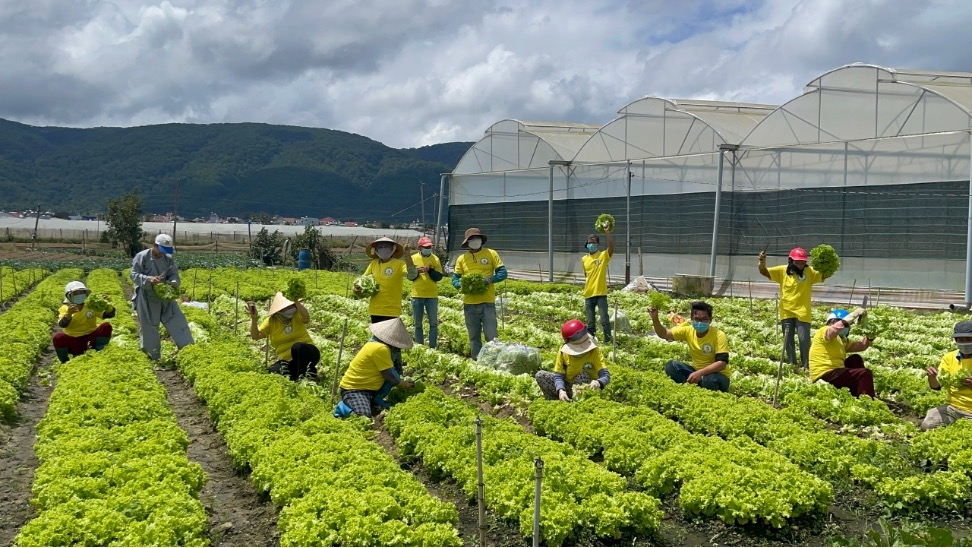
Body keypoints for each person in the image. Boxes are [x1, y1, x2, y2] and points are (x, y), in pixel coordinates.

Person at [758, 247, 828, 369]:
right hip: (786, 311)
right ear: (790, 261)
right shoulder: (782, 271)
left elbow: (824, 275)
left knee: (804, 340)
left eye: (802, 262)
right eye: (797, 262)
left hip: (803, 312)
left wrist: (827, 264)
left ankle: (807, 366)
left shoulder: (810, 272)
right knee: (788, 341)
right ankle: (792, 365)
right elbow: (764, 272)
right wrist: (762, 261)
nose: (800, 265)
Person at [334, 318, 415, 419]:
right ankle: (343, 407)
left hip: (369, 388)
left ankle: (374, 399)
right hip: (354, 389)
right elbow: (389, 374)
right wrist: (403, 384)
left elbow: (392, 372)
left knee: (393, 375)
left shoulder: (376, 343)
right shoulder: (381, 348)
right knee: (363, 416)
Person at [130, 234, 194, 360]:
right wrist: (149, 279)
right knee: (149, 326)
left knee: (177, 320)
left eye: (166, 251)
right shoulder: (142, 257)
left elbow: (173, 274)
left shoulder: (168, 259)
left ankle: (189, 350)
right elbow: (134, 275)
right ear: (155, 246)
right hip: (147, 297)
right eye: (161, 250)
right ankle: (152, 356)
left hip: (165, 297)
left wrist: (174, 282)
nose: (163, 254)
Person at [649, 301, 731, 392]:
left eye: (704, 319)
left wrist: (700, 373)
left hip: (718, 376)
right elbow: (664, 334)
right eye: (697, 319)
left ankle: (705, 389)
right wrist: (655, 319)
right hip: (697, 373)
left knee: (709, 379)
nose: (700, 323)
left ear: (710, 320)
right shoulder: (688, 331)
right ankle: (691, 388)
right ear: (691, 319)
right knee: (671, 366)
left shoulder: (718, 335)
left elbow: (722, 363)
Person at [452, 228, 507, 359]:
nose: (475, 241)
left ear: (481, 240)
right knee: (473, 337)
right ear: (467, 242)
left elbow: (503, 273)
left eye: (477, 238)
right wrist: (463, 285)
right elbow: (455, 278)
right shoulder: (462, 259)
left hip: (487, 303)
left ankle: (493, 359)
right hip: (469, 305)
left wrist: (489, 280)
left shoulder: (491, 253)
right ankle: (477, 360)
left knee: (492, 336)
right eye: (472, 239)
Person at [247, 292, 319, 381]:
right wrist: (254, 320)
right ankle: (297, 375)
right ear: (279, 310)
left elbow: (306, 318)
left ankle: (309, 375)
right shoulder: (271, 321)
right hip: (288, 361)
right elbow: (256, 336)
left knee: (298, 347)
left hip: (308, 353)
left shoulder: (297, 314)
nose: (290, 309)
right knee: (271, 372)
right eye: (286, 308)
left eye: (291, 306)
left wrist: (296, 301)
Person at [535, 320, 610, 401]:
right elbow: (559, 375)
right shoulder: (563, 352)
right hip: (568, 387)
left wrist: (598, 382)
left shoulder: (594, 351)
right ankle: (558, 400)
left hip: (588, 388)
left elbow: (605, 375)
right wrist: (561, 390)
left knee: (582, 376)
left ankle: (579, 401)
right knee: (540, 375)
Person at [808, 308, 875, 398]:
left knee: (855, 359)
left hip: (836, 373)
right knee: (865, 373)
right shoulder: (824, 331)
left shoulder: (843, 340)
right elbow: (833, 331)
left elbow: (861, 346)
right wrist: (853, 315)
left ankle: (857, 391)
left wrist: (870, 337)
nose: (846, 327)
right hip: (825, 375)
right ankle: (867, 401)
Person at [920, 320, 972, 430]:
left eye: (969, 339)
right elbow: (936, 386)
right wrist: (932, 377)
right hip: (953, 408)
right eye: (961, 340)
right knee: (928, 425)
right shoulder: (949, 357)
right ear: (956, 341)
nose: (965, 343)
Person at [355, 237, 417, 323]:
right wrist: (357, 289)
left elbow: (412, 275)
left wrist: (407, 255)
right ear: (376, 250)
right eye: (380, 247)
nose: (383, 249)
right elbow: (363, 279)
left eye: (386, 246)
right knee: (377, 335)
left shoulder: (399, 264)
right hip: (375, 309)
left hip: (391, 310)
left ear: (393, 249)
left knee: (388, 336)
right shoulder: (374, 263)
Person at [52, 281, 116, 363]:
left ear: (85, 294)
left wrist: (108, 305)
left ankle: (100, 350)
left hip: (91, 338)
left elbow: (108, 315)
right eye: (75, 293)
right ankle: (64, 361)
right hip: (74, 341)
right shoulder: (65, 308)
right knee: (58, 337)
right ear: (69, 296)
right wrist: (69, 314)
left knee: (106, 326)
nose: (79, 295)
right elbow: (62, 324)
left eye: (81, 292)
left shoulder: (90, 306)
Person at [582, 225, 615, 342]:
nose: (591, 244)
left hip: (601, 293)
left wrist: (607, 232)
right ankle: (592, 342)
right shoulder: (584, 259)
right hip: (588, 294)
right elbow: (586, 275)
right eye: (589, 242)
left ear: (597, 244)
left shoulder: (603, 256)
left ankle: (608, 341)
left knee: (604, 320)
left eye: (594, 242)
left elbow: (611, 247)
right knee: (590, 323)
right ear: (587, 244)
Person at [410, 236, 443, 347]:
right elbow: (410, 277)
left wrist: (430, 270)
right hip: (417, 295)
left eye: (429, 247)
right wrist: (417, 271)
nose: (428, 248)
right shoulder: (413, 258)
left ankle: (432, 346)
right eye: (425, 247)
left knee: (433, 323)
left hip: (432, 296)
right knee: (417, 324)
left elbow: (438, 277)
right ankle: (420, 345)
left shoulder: (435, 259)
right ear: (420, 247)